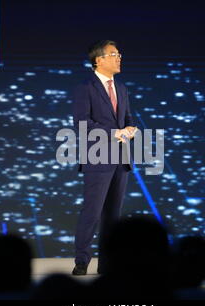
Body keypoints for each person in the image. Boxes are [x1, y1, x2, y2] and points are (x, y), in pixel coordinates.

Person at [71, 40, 137, 275]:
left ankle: (107, 264)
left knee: (113, 217)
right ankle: (81, 261)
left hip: (121, 158)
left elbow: (127, 118)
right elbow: (81, 124)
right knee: (92, 212)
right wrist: (113, 133)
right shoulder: (85, 87)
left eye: (119, 54)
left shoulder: (122, 88)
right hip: (97, 157)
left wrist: (130, 129)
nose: (119, 57)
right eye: (113, 54)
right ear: (98, 60)